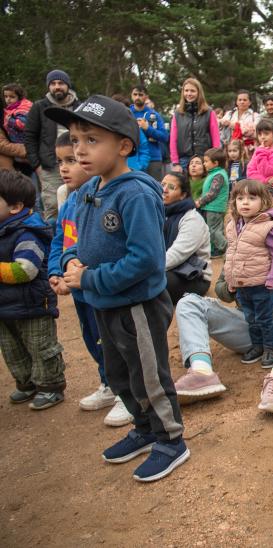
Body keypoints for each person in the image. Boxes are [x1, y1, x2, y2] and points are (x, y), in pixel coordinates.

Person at [48, 95, 188, 482]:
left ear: (123, 146)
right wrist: (70, 260)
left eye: (92, 140)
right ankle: (144, 430)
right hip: (104, 302)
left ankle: (171, 440)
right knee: (119, 372)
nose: (79, 149)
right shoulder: (89, 189)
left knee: (148, 374)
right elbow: (74, 235)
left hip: (137, 305)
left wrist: (89, 277)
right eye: (76, 140)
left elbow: (146, 259)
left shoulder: (137, 192)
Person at [173, 189, 273, 414]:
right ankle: (202, 373)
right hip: (249, 327)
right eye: (243, 200)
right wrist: (239, 282)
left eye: (258, 200)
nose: (250, 205)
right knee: (188, 303)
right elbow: (221, 289)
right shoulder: (236, 239)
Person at [48, 133, 114, 418]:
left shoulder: (100, 198)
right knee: (91, 337)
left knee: (112, 338)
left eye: (71, 161)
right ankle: (108, 383)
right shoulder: (68, 203)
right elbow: (59, 241)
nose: (64, 168)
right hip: (77, 287)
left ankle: (129, 391)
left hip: (99, 285)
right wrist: (56, 272)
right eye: (60, 161)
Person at [0, 169, 66, 409]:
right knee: (11, 348)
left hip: (34, 303)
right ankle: (26, 382)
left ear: (15, 206)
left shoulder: (28, 232)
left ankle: (50, 386)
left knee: (40, 346)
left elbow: (24, 270)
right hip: (5, 306)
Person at [222, 179, 273, 368]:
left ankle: (269, 347)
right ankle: (257, 346)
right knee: (250, 318)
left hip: (262, 284)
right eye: (240, 198)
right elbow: (232, 253)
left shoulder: (269, 226)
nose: (245, 202)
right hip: (242, 285)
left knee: (264, 318)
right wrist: (230, 279)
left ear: (263, 201)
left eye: (251, 198)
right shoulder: (232, 225)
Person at [23, 69, 81, 221]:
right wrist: (36, 165)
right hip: (49, 166)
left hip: (78, 163)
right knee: (53, 206)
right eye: (53, 83)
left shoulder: (80, 106)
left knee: (78, 202)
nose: (57, 87)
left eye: (61, 83)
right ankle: (53, 240)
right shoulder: (39, 107)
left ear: (67, 85)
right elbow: (29, 136)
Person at [160, 172, 211, 304]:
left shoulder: (192, 219)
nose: (164, 190)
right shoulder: (160, 213)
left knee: (152, 282)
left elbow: (178, 254)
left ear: (183, 195)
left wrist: (147, 269)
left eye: (171, 187)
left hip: (193, 276)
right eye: (163, 184)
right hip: (166, 267)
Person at [170, 78, 221, 173]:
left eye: (192, 91)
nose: (189, 94)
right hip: (184, 161)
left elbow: (216, 139)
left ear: (199, 93)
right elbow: (173, 139)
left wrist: (214, 159)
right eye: (186, 90)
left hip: (205, 160)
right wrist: (175, 163)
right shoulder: (177, 114)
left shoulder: (209, 112)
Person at [130, 85, 168, 182]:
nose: (137, 97)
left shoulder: (154, 115)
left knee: (154, 190)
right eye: (135, 94)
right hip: (132, 158)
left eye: (140, 95)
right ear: (131, 95)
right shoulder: (127, 113)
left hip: (153, 158)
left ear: (146, 97)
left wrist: (148, 128)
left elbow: (165, 137)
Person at [197, 147, 229, 258]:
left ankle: (226, 248)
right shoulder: (213, 173)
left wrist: (200, 202)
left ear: (215, 163)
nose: (204, 164)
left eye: (206, 161)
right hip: (211, 207)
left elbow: (212, 193)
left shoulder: (219, 175)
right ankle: (215, 250)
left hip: (215, 207)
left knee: (213, 229)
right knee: (212, 229)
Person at [247, 118, 273, 196]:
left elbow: (267, 171)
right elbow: (250, 171)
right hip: (260, 189)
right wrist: (265, 180)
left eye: (266, 134)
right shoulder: (259, 150)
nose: (262, 137)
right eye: (260, 134)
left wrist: (261, 153)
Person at [2, 83, 32, 173]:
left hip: (24, 143)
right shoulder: (11, 109)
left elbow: (23, 124)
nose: (8, 99)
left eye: (12, 97)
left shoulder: (23, 108)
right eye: (6, 96)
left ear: (19, 97)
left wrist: (9, 120)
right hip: (18, 148)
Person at [219, 90, 260, 154]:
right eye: (240, 100)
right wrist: (221, 122)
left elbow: (255, 132)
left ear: (250, 102)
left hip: (248, 151)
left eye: (244, 100)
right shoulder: (229, 114)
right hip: (230, 150)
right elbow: (219, 126)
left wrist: (234, 125)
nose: (242, 102)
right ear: (236, 102)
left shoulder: (255, 116)